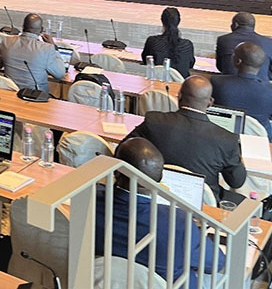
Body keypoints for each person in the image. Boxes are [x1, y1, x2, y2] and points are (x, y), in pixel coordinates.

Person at [95, 137, 223, 288]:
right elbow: (216, 263)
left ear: (116, 171)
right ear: (160, 178)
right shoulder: (179, 222)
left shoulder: (89, 202)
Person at [125, 76, 246, 202]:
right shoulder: (227, 139)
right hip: (201, 206)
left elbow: (123, 149)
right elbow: (236, 182)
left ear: (179, 96)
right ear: (210, 102)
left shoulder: (153, 120)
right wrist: (237, 155)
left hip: (155, 195)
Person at [211, 41, 272, 140]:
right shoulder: (270, 90)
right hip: (260, 139)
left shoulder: (217, 82)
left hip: (222, 135)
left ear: (237, 61)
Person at [0, 13, 65, 91]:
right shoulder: (47, 48)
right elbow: (60, 74)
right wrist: (54, 48)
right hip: (34, 96)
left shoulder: (7, 41)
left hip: (9, 91)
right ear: (41, 30)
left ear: (23, 27)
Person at [216, 12, 272, 81]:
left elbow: (220, 67)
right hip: (261, 85)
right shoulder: (269, 42)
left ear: (235, 25)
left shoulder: (223, 40)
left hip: (229, 83)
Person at [141, 7, 195, 78]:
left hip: (156, 84)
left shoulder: (152, 41)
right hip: (180, 86)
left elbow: (146, 61)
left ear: (162, 21)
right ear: (178, 21)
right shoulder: (187, 45)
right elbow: (190, 64)